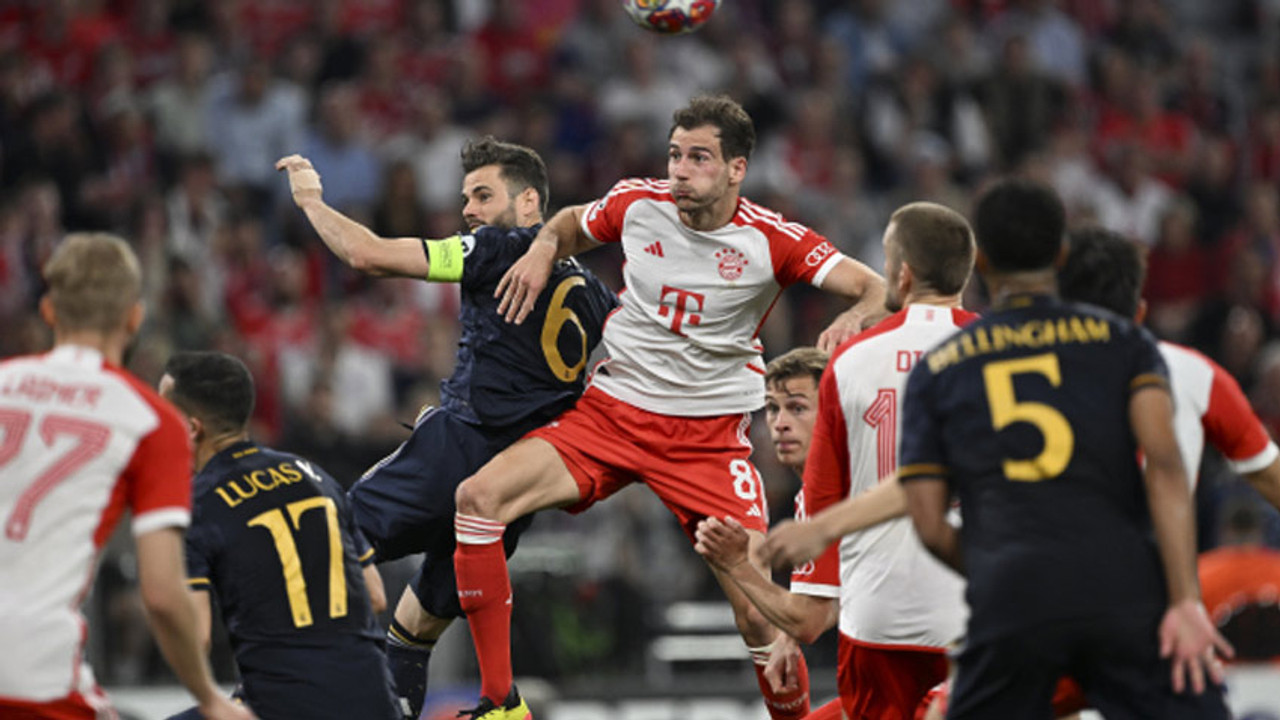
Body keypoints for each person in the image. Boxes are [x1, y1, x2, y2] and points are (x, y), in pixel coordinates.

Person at [451, 94, 887, 720]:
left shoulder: (772, 240)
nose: (680, 171)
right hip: (612, 414)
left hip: (706, 441)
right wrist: (543, 248)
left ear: (736, 169)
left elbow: (874, 287)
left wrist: (854, 315)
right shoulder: (638, 203)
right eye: (675, 155)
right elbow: (570, 221)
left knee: (758, 614)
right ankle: (500, 702)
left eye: (699, 158)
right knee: (477, 498)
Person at [276, 136, 617, 719]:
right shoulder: (593, 291)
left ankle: (267, 695)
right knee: (414, 629)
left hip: (455, 451)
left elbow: (368, 255)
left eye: (483, 195)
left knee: (328, 547)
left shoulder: (498, 247)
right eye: (465, 198)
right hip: (511, 492)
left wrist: (310, 202)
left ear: (529, 203)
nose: (469, 210)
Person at [898, 178, 1231, 719]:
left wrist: (999, 566)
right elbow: (1166, 468)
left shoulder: (938, 369)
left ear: (981, 261)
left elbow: (929, 523)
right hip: (1119, 583)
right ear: (1061, 254)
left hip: (1011, 592)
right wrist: (1184, 599)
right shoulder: (1125, 342)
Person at [697, 202, 977, 720]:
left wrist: (739, 566)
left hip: (882, 628)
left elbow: (808, 617)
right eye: (772, 409)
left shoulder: (851, 363)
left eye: (796, 408)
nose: (779, 424)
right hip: (986, 615)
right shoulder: (1003, 351)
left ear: (902, 274)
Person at [0, 233, 252, 720]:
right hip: (35, 675)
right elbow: (162, 592)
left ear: (49, 311)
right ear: (135, 317)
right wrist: (208, 696)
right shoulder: (151, 421)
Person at [159, 351, 399, 719]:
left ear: (192, 428)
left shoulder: (195, 503)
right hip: (374, 701)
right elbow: (375, 596)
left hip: (283, 705)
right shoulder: (313, 475)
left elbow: (197, 637)